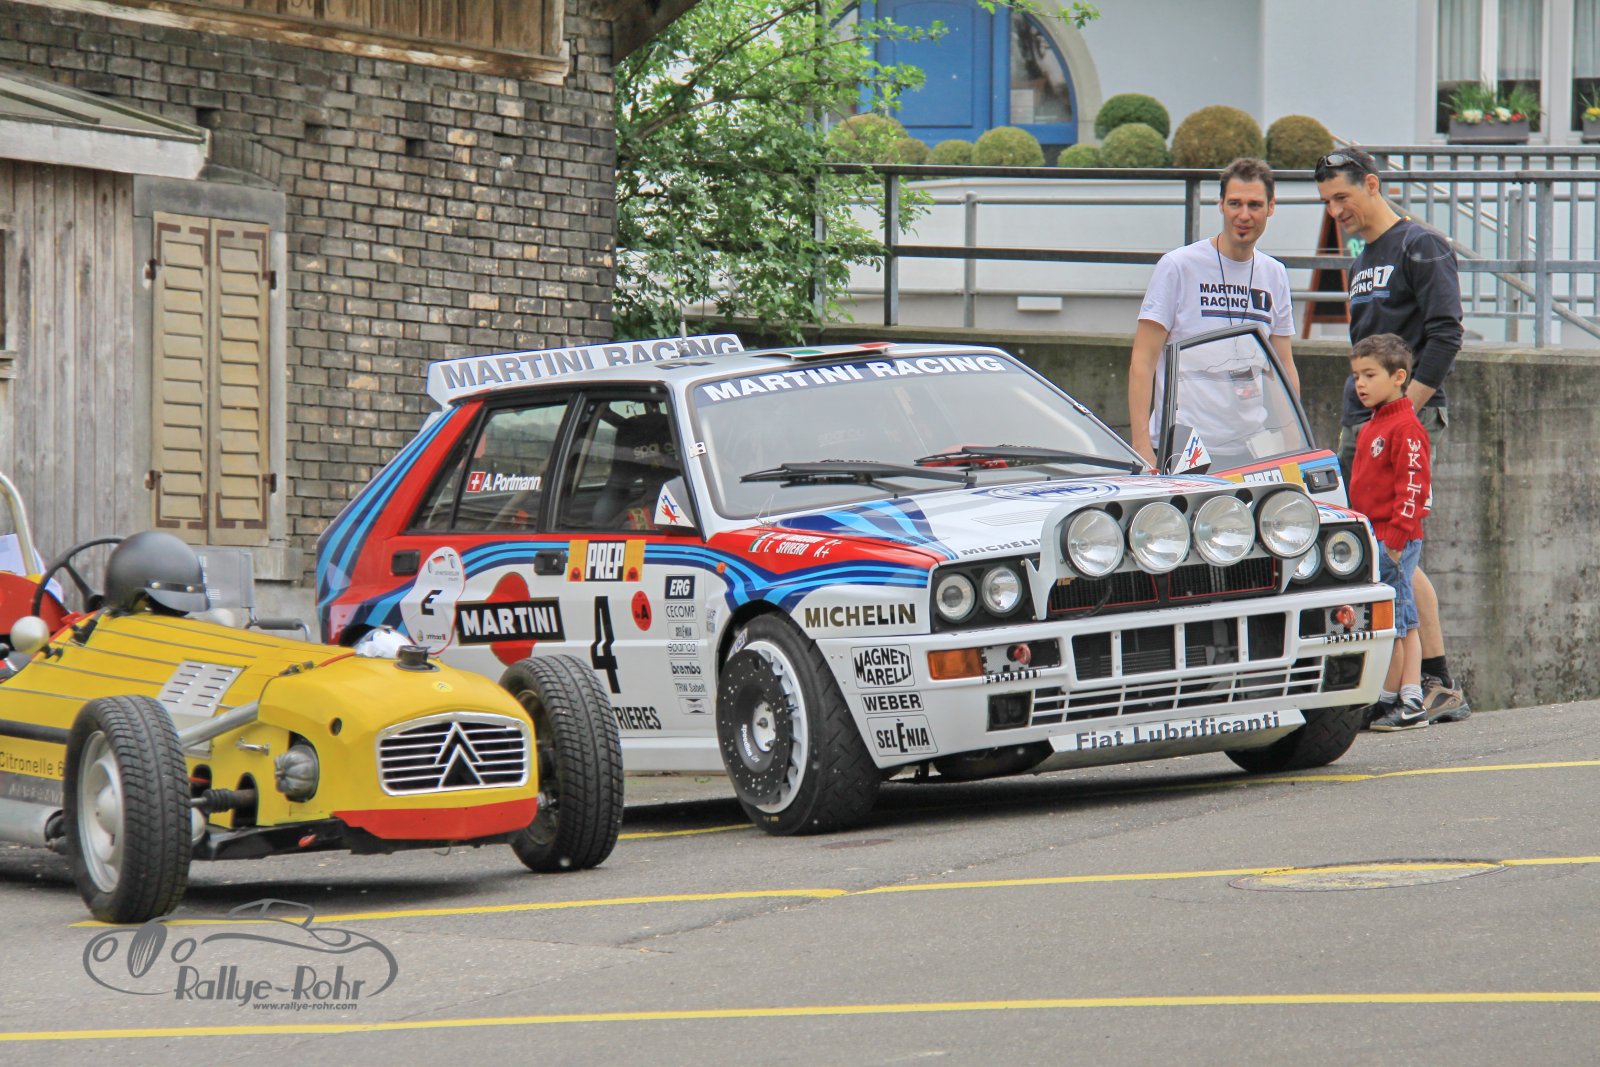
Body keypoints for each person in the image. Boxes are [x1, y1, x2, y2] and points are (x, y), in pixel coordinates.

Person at [1315, 147, 1470, 723]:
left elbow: (1446, 334)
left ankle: (1433, 682)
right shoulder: (1364, 254)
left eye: (1343, 197)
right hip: (1362, 421)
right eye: (1327, 201)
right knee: (1381, 551)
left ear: (1373, 185)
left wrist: (1403, 413)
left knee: (1397, 549)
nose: (1336, 211)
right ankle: (1415, 681)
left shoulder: (1420, 244)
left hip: (1403, 420)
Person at [1128, 157, 1298, 470]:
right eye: (1234, 203)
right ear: (1220, 205)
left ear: (1271, 207)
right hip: (1184, 446)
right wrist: (1141, 446)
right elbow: (1143, 359)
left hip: (1251, 447)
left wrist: (1294, 442)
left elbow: (1283, 365)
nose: (1243, 215)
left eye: (1254, 205)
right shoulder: (1178, 266)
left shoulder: (1274, 273)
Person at [1347, 334, 1430, 731]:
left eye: (1369, 375)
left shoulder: (1406, 427)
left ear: (1398, 377)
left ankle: (1403, 699)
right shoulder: (1373, 426)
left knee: (1396, 623)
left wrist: (1395, 542)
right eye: (1356, 376)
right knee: (1399, 618)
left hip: (1393, 539)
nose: (1360, 384)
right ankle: (1397, 695)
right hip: (1375, 537)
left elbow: (1413, 487)